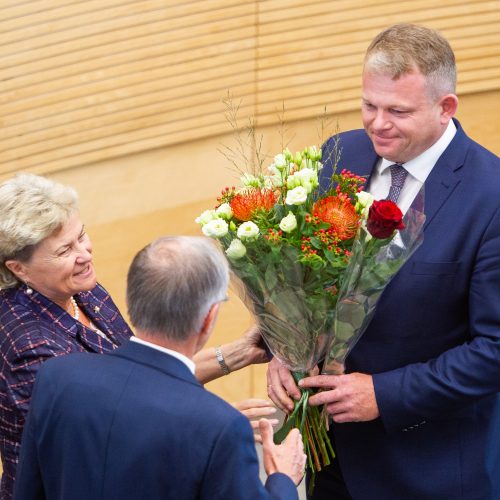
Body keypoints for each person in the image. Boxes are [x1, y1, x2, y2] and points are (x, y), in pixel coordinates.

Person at [266, 23, 500, 499]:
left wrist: (385, 395)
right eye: (369, 105)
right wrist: (283, 351)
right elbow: (307, 279)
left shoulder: (491, 195)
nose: (377, 123)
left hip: (428, 471)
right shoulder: (339, 154)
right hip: (328, 458)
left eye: (397, 110)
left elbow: (495, 349)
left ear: (445, 107)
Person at [0, 173, 274, 500]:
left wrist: (239, 353)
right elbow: (106, 442)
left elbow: (140, 372)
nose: (85, 254)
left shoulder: (81, 290)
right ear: (18, 268)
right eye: (64, 250)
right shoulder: (29, 350)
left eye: (81, 235)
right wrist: (202, 431)